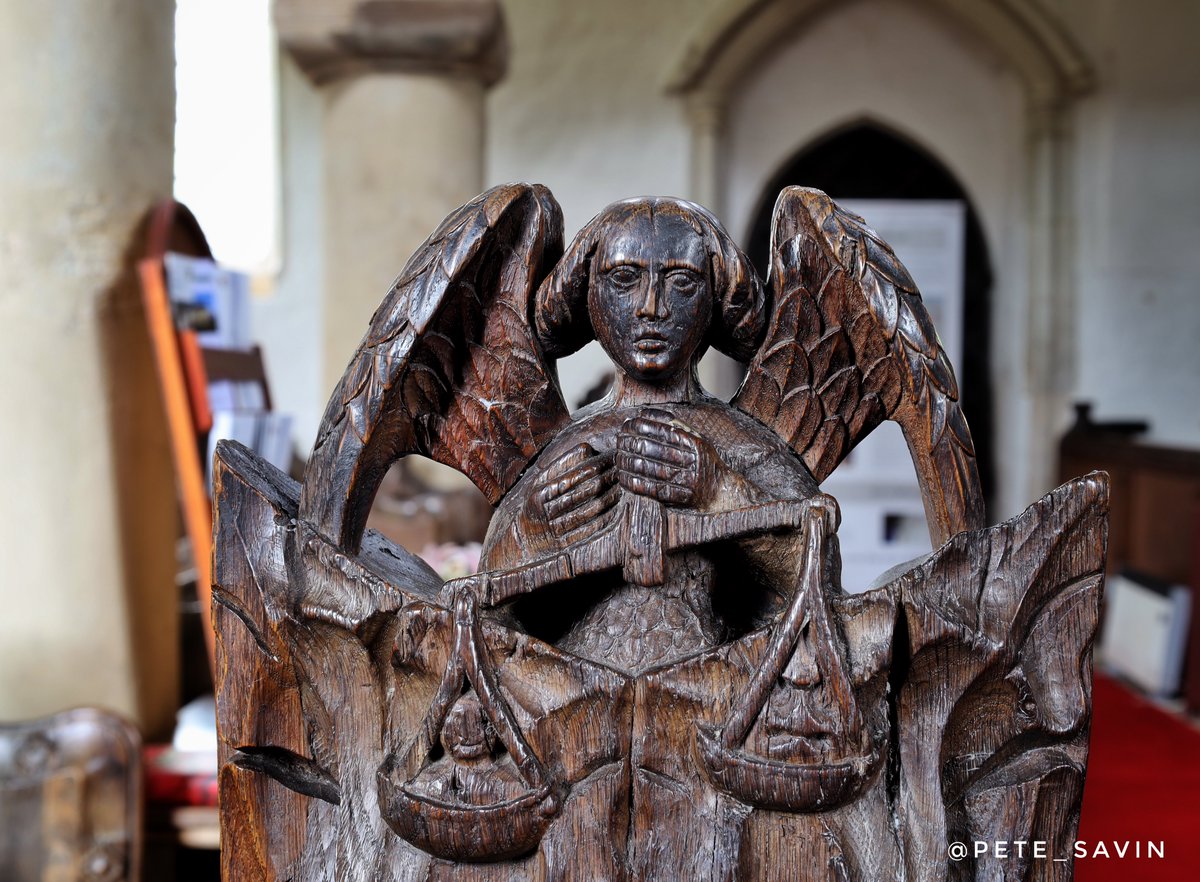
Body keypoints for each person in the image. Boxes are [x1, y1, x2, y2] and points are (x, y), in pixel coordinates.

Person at [480, 197, 822, 674]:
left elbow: (819, 571)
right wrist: (531, 533)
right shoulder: (565, 448)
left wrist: (720, 491)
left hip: (714, 698)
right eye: (624, 279)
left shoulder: (742, 443)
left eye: (681, 282)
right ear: (588, 294)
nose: (651, 308)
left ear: (714, 299)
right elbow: (487, 606)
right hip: (575, 702)